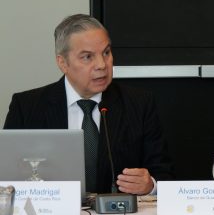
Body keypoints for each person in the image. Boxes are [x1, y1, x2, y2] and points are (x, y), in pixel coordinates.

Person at [4, 14, 173, 195]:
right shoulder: (26, 107)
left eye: (106, 53)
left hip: (118, 212)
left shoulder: (139, 104)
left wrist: (150, 185)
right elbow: (6, 177)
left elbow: (164, 173)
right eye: (87, 57)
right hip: (52, 211)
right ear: (63, 63)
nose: (101, 65)